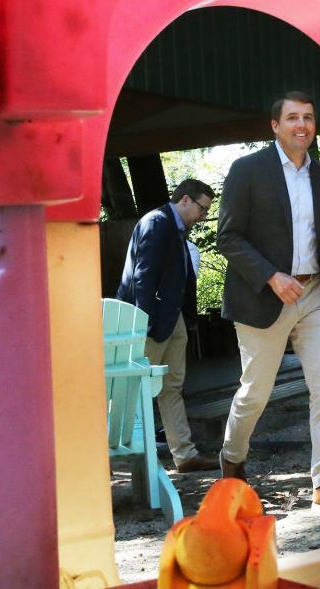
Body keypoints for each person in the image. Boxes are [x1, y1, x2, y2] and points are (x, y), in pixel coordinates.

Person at [217, 91, 320, 515]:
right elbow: (228, 236)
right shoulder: (247, 171)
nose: (303, 125)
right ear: (275, 126)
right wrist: (270, 275)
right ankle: (232, 459)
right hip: (262, 296)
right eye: (293, 117)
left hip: (315, 294)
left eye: (309, 118)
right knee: (255, 393)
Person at [116, 178, 219, 473]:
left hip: (172, 319)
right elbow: (142, 276)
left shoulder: (175, 228)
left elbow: (181, 277)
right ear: (185, 200)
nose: (204, 216)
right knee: (130, 388)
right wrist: (142, 322)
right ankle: (109, 458)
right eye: (202, 208)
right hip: (150, 321)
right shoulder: (156, 222)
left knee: (171, 386)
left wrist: (187, 319)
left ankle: (185, 455)